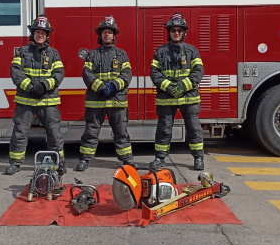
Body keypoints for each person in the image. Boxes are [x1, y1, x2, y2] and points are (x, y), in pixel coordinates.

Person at [76, 15, 137, 171]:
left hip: (117, 100)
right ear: (100, 35)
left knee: (121, 132)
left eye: (110, 32)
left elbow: (127, 74)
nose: (107, 35)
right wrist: (101, 87)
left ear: (114, 35)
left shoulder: (122, 55)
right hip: (96, 100)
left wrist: (113, 86)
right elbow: (87, 74)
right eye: (104, 32)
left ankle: (127, 160)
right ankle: (85, 159)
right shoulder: (92, 55)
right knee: (91, 131)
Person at [6, 16, 65, 175]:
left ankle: (59, 163)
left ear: (47, 35)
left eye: (43, 33)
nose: (40, 35)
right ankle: (15, 163)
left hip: (48, 100)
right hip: (26, 99)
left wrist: (44, 86)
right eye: (38, 32)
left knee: (54, 134)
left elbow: (59, 74)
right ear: (33, 34)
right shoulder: (22, 52)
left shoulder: (54, 53)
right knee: (19, 132)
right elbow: (16, 73)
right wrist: (31, 88)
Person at [150, 12, 205, 171]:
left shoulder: (192, 51)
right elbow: (154, 73)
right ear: (169, 32)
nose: (176, 33)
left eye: (179, 30)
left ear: (183, 32)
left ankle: (198, 158)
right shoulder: (160, 51)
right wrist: (169, 87)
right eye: (173, 30)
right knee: (163, 129)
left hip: (189, 98)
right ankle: (160, 158)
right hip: (166, 98)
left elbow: (198, 72)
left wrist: (182, 87)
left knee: (194, 129)